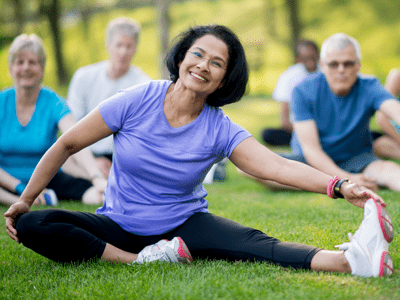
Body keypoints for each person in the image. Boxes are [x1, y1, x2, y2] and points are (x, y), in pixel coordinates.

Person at [5, 26, 394, 278]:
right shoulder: (137, 99)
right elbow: (68, 143)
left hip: (183, 225)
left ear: (225, 77)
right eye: (197, 54)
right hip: (119, 225)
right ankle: (140, 260)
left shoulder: (219, 127)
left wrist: (341, 185)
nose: (203, 65)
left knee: (258, 246)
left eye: (217, 62)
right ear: (181, 57)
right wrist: (24, 199)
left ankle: (350, 261)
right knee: (32, 224)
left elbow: (276, 166)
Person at [269, 33, 400, 192]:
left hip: (356, 158)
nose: (341, 70)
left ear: (358, 65)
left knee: (390, 170)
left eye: (348, 64)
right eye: (333, 64)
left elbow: (394, 110)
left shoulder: (369, 85)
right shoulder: (302, 91)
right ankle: (329, 184)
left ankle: (326, 185)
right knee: (253, 167)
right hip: (310, 164)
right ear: (322, 65)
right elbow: (311, 150)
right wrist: (346, 178)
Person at [0, 33, 107, 206]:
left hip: (46, 179)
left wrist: (96, 177)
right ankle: (22, 200)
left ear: (42, 68)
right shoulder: (1, 102)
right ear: (11, 68)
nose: (26, 67)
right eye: (20, 62)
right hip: (7, 182)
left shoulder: (54, 102)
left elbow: (76, 137)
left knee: (96, 193)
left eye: (32, 62)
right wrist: (20, 188)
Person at [64, 17, 152, 179]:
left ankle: (98, 180)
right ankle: (96, 178)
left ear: (135, 48)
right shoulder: (84, 76)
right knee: (61, 159)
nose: (123, 52)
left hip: (120, 156)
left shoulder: (143, 84)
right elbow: (72, 125)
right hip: (83, 151)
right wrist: (92, 160)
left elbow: (139, 134)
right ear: (108, 45)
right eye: (119, 45)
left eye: (129, 46)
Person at [261, 39, 320, 147]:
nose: (310, 62)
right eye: (305, 59)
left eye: (313, 57)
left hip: (323, 126)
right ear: (297, 59)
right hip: (298, 127)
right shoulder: (289, 76)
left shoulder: (327, 73)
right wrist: (305, 130)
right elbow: (285, 120)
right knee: (267, 134)